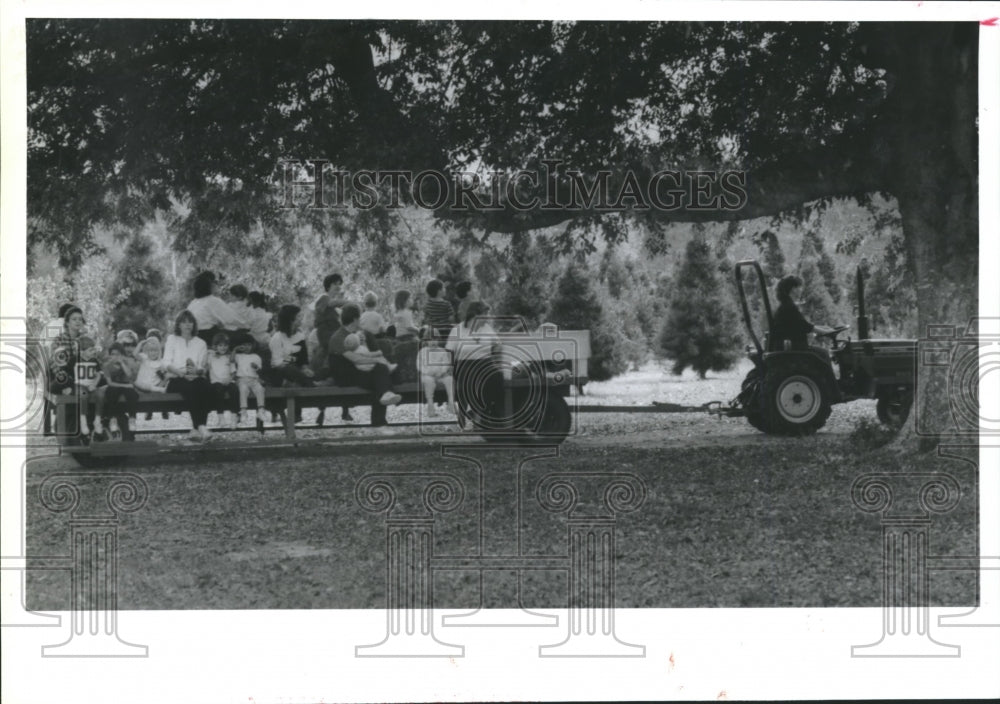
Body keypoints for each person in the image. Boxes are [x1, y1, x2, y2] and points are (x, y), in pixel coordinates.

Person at [327, 303, 402, 428]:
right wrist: (378, 360)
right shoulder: (339, 337)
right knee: (381, 375)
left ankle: (384, 405)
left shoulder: (359, 334)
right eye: (360, 317)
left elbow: (365, 354)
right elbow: (356, 359)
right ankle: (381, 416)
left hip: (357, 371)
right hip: (344, 375)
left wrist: (375, 358)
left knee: (381, 373)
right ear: (355, 319)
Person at [446, 301, 504, 428]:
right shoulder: (458, 329)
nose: (488, 317)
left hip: (485, 362)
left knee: (497, 377)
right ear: (475, 315)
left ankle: (481, 413)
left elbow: (498, 344)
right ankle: (466, 411)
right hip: (464, 364)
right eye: (486, 314)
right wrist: (450, 366)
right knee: (472, 377)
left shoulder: (487, 328)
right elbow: (449, 350)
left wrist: (496, 353)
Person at [163, 310, 214, 441]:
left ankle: (195, 430)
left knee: (205, 386)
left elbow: (202, 367)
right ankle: (201, 426)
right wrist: (180, 373)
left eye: (190, 322)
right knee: (191, 387)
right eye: (184, 322)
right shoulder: (172, 339)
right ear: (178, 325)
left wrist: (198, 371)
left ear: (194, 324)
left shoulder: (201, 343)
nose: (187, 325)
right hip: (176, 378)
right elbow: (166, 363)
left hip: (195, 377)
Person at [186, 270, 254, 347]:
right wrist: (247, 325)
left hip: (193, 336)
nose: (217, 284)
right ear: (210, 285)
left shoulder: (193, 302)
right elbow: (231, 318)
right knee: (247, 338)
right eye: (215, 282)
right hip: (207, 336)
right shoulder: (212, 300)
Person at [770, 275, 836, 352]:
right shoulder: (789, 307)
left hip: (792, 346)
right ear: (793, 289)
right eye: (799, 287)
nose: (801, 290)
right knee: (824, 353)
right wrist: (827, 331)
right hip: (794, 349)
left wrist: (825, 328)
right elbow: (805, 326)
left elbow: (802, 324)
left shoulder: (786, 305)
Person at [268, 304, 316, 388]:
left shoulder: (300, 336)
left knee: (311, 375)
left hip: (297, 373)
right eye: (298, 317)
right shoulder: (277, 338)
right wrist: (294, 366)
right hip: (281, 373)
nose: (301, 319)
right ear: (290, 319)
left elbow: (303, 360)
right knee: (291, 370)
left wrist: (305, 369)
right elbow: (277, 364)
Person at [102, 342, 140, 440]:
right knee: (111, 393)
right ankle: (113, 418)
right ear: (109, 355)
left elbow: (130, 376)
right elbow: (110, 383)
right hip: (115, 385)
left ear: (122, 355)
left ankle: (132, 418)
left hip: (126, 385)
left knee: (133, 395)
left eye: (118, 354)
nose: (115, 357)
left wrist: (122, 363)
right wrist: (125, 385)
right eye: (113, 354)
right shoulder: (107, 365)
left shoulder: (126, 363)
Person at [418, 327, 456, 417]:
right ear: (426, 341)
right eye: (430, 340)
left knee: (449, 379)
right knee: (428, 382)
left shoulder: (442, 351)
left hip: (441, 375)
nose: (433, 342)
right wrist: (428, 372)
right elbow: (419, 365)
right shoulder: (422, 352)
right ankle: (430, 406)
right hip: (428, 375)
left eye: (435, 339)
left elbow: (445, 363)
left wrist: (442, 372)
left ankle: (451, 403)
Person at [207, 332, 239, 428]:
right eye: (220, 345)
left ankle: (234, 417)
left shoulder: (229, 357)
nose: (223, 347)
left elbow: (233, 372)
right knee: (218, 391)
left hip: (228, 381)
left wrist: (230, 379)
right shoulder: (211, 357)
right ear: (215, 346)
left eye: (225, 345)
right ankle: (221, 418)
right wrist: (210, 351)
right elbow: (204, 361)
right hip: (216, 383)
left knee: (234, 390)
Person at [234, 341, 267, 426]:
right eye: (244, 345)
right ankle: (243, 412)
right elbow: (230, 359)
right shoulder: (238, 356)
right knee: (243, 389)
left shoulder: (256, 357)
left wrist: (255, 367)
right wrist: (235, 349)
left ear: (252, 346)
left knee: (260, 389)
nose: (247, 347)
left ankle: (261, 410)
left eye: (249, 344)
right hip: (242, 379)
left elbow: (260, 370)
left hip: (254, 379)